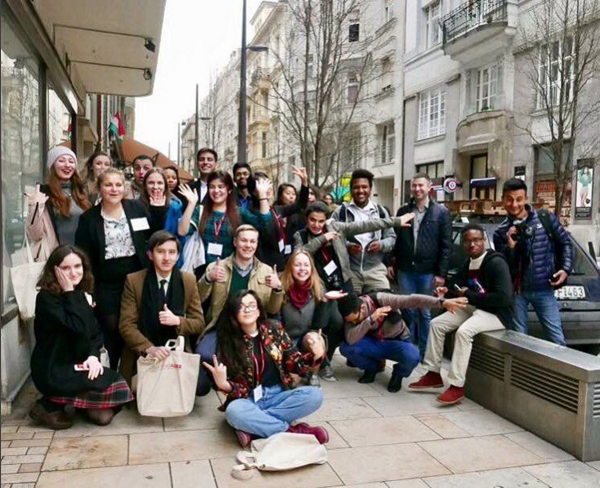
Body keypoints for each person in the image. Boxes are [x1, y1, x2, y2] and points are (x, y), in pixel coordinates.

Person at [203, 290, 328, 447]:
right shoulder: (227, 342)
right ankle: (292, 431)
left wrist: (315, 356)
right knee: (234, 411)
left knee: (315, 395)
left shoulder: (273, 328)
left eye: (251, 305)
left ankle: (256, 427)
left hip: (278, 394)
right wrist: (224, 385)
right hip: (249, 400)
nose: (247, 310)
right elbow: (240, 390)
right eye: (241, 307)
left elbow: (294, 363)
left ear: (259, 310)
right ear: (234, 312)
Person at [30, 245, 133, 429]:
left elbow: (94, 333)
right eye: (66, 268)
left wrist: (93, 356)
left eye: (78, 266)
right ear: (54, 270)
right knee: (114, 381)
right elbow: (75, 328)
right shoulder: (46, 298)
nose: (73, 272)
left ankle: (73, 402)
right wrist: (70, 293)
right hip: (54, 367)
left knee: (104, 417)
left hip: (79, 362)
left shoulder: (81, 293)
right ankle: (48, 404)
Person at [409, 224, 513, 405]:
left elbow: (504, 298)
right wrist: (446, 290)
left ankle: (456, 386)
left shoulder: (496, 262)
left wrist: (468, 295)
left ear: (484, 241)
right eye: (467, 241)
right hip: (474, 308)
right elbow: (457, 285)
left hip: (497, 314)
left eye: (476, 240)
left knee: (463, 332)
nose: (471, 245)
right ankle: (433, 373)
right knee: (437, 324)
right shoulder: (468, 263)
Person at [75, 168, 165, 368]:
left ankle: (135, 373)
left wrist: (158, 211)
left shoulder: (136, 209)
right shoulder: (88, 219)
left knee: (139, 325)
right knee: (112, 328)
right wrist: (87, 290)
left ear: (124, 187)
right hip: (106, 283)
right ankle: (112, 375)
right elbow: (84, 257)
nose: (114, 189)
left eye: (118, 185)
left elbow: (155, 237)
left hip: (138, 277)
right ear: (100, 188)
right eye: (108, 185)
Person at [196, 225, 284, 396]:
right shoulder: (217, 267)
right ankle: (218, 378)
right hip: (221, 325)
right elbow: (197, 299)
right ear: (235, 242)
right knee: (204, 353)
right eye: (244, 240)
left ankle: (236, 380)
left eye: (252, 241)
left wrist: (278, 289)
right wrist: (208, 278)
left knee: (256, 360)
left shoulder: (266, 272)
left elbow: (273, 309)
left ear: (257, 245)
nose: (248, 245)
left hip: (252, 327)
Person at [493, 178, 573, 345]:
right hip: (517, 292)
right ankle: (522, 371)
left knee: (556, 340)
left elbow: (565, 243)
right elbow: (504, 266)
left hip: (544, 287)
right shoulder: (501, 231)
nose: (514, 204)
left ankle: (557, 372)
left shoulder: (545, 218)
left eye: (518, 199)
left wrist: (565, 269)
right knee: (519, 341)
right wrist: (511, 247)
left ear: (526, 198)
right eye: (509, 199)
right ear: (503, 200)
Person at [118, 231, 205, 385]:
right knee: (143, 388)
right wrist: (149, 348)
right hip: (144, 352)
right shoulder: (134, 281)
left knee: (201, 386)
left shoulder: (188, 281)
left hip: (176, 350)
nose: (166, 258)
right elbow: (126, 326)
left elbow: (199, 323)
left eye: (172, 252)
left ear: (178, 256)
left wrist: (177, 321)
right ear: (150, 255)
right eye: (160, 252)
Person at [337, 291, 467, 392]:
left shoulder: (380, 299)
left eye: (355, 320)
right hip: (374, 342)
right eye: (351, 322)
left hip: (397, 341)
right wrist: (369, 320)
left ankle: (398, 373)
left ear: (362, 309)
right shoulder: (351, 313)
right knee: (346, 348)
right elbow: (350, 338)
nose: (354, 323)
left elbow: (411, 299)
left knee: (412, 356)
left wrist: (441, 302)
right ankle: (372, 367)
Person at [390, 172, 452, 358]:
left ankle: (425, 352)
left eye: (421, 186)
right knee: (408, 311)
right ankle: (408, 350)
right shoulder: (403, 211)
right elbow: (395, 238)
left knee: (424, 313)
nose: (417, 189)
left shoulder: (441, 213)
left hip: (428, 271)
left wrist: (441, 273)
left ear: (429, 187)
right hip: (406, 269)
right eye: (414, 186)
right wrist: (390, 261)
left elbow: (446, 245)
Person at [295, 202, 415, 295]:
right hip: (317, 284)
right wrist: (322, 239)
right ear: (306, 219)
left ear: (326, 220)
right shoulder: (300, 235)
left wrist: (395, 221)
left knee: (350, 317)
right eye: (312, 220)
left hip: (342, 280)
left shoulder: (334, 227)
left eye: (321, 221)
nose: (316, 225)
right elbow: (298, 255)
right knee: (332, 319)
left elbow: (365, 225)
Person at [177, 171, 272, 277]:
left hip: (229, 271)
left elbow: (264, 222)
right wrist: (191, 204)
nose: (216, 191)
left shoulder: (239, 212)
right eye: (212, 187)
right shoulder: (200, 211)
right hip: (203, 271)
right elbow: (182, 231)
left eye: (221, 187)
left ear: (229, 189)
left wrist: (262, 196)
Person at [281, 250, 348, 383]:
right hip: (286, 341)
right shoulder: (281, 286)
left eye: (306, 265)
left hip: (307, 338)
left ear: (311, 268)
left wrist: (325, 301)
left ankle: (313, 374)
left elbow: (321, 325)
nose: (302, 269)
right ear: (290, 267)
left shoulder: (317, 287)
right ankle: (297, 369)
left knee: (315, 341)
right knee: (291, 382)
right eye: (297, 265)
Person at [332, 169, 396, 293]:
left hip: (375, 270)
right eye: (356, 187)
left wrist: (381, 245)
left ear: (370, 189)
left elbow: (391, 237)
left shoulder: (381, 211)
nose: (360, 191)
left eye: (364, 187)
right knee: (352, 310)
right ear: (351, 190)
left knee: (386, 305)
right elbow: (331, 238)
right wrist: (347, 246)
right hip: (350, 271)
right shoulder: (340, 212)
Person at [25, 147, 91, 261]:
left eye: (71, 161)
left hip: (82, 257)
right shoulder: (43, 193)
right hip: (56, 257)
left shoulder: (83, 191)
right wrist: (35, 205)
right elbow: (34, 235)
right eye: (61, 161)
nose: (67, 165)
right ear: (52, 165)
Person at [250, 168, 309, 270]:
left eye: (269, 184)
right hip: (265, 266)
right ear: (254, 192)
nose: (268, 188)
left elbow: (300, 205)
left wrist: (304, 183)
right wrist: (263, 197)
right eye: (262, 186)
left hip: (281, 261)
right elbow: (268, 231)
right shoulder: (253, 213)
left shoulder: (276, 209)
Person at [139, 168, 182, 237]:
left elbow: (179, 235)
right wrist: (155, 210)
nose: (155, 187)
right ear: (145, 186)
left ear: (165, 186)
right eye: (151, 183)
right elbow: (141, 235)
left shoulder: (174, 207)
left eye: (160, 183)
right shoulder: (137, 206)